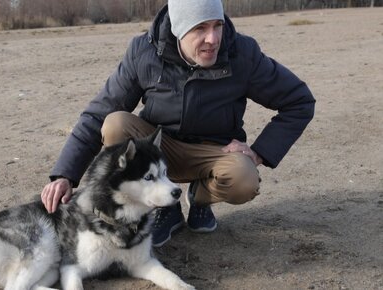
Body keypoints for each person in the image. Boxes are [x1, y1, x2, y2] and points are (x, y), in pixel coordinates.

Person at [40, 0, 315, 247]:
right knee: (115, 125)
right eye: (200, 28)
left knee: (244, 178)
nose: (213, 38)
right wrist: (66, 174)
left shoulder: (242, 53)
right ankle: (164, 206)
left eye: (217, 25)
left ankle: (200, 198)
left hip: (213, 153)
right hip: (159, 148)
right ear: (179, 29)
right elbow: (98, 113)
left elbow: (299, 100)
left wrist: (258, 152)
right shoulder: (143, 52)